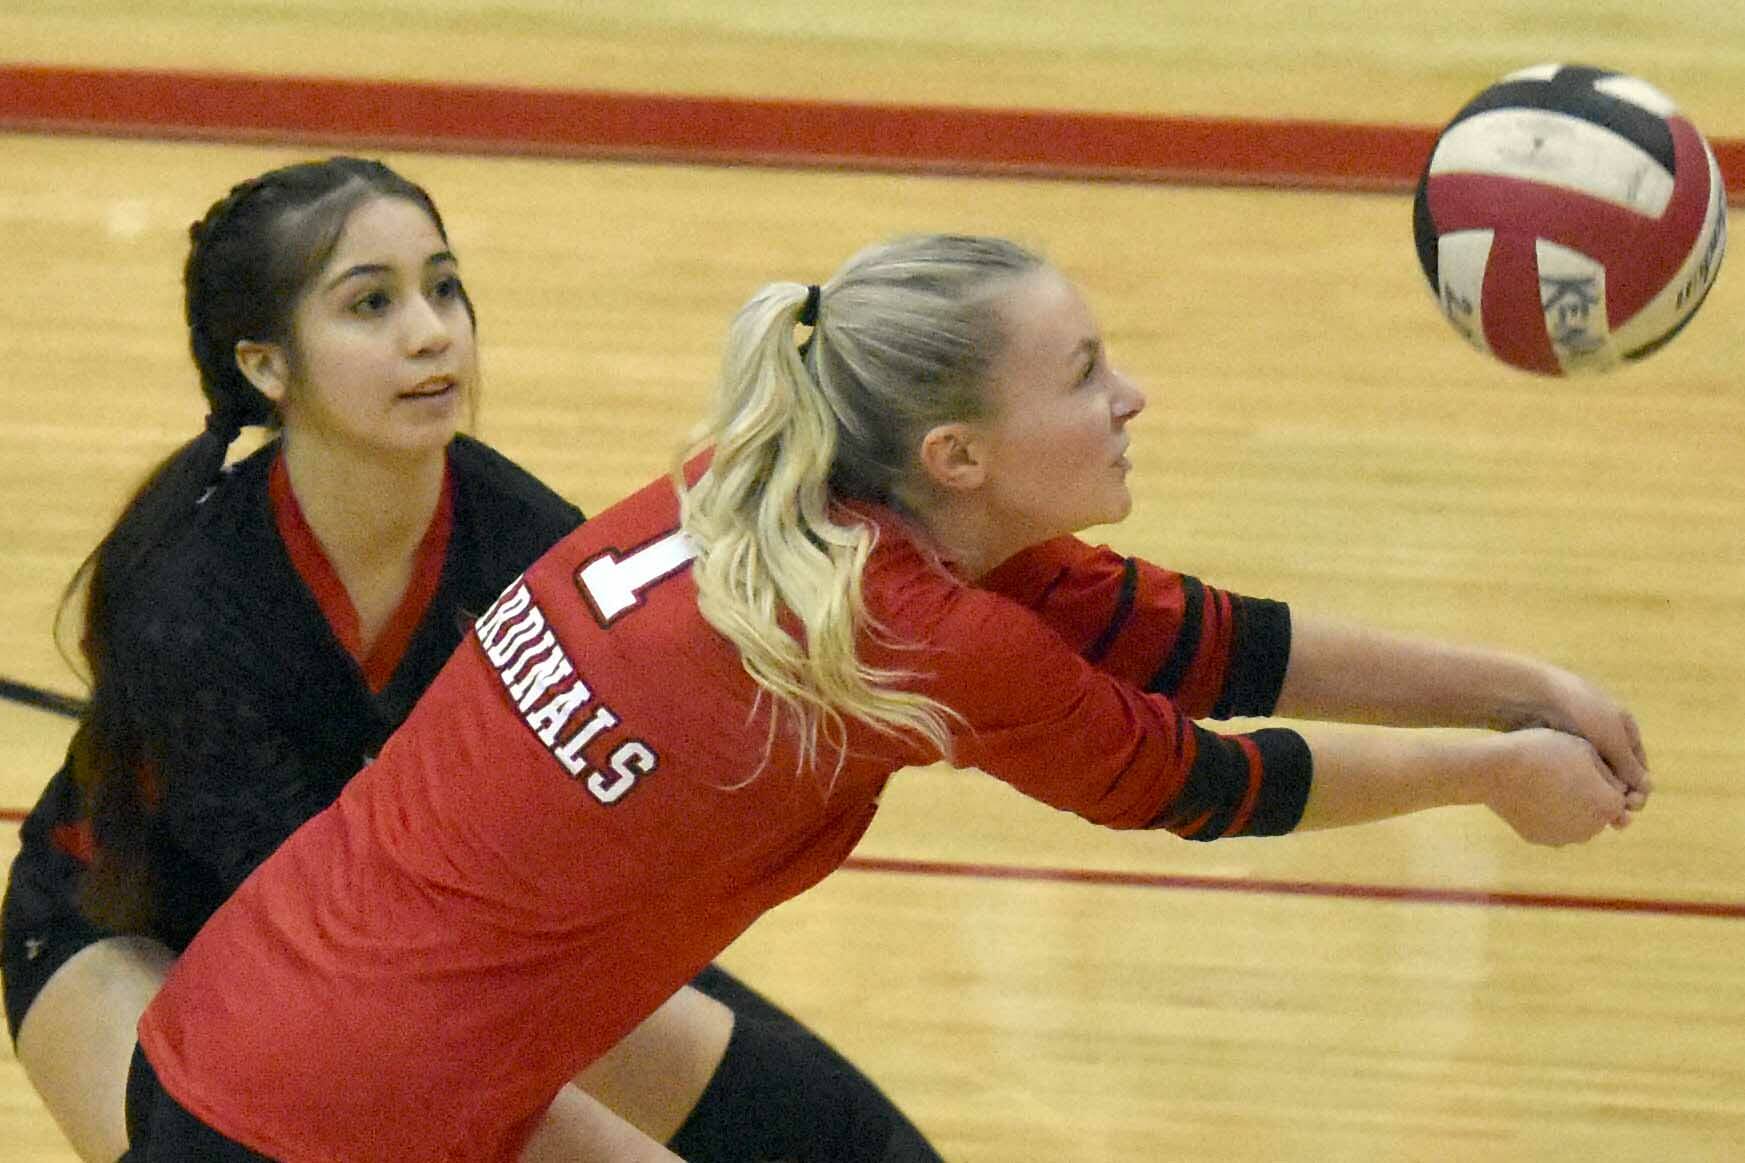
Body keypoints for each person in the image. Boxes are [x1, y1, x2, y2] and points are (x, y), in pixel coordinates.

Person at [125, 232, 1650, 1160]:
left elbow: (1205, 641)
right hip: (314, 1119)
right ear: (956, 456)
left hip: (299, 1036)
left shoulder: (782, 496)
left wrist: (1525, 682)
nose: (1131, 397)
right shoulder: (909, 627)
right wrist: (1492, 771)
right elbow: (1203, 778)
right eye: (1085, 372)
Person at [0, 157, 942, 1163]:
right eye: (371, 303)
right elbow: (326, 961)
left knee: (831, 1137)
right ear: (268, 367)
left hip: (444, 955)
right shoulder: (188, 595)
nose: (430, 330)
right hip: (141, 930)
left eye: (443, 287)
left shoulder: (528, 543)